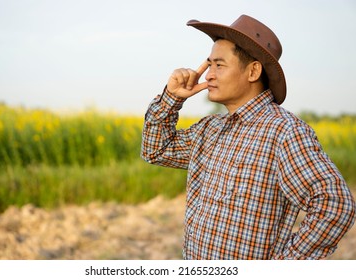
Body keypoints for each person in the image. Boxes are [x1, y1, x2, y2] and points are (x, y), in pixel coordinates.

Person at [140, 15, 355, 260]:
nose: (208, 75)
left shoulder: (283, 131)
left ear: (253, 71)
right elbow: (155, 150)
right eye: (209, 65)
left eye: (219, 65)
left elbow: (335, 206)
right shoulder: (209, 128)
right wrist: (172, 97)